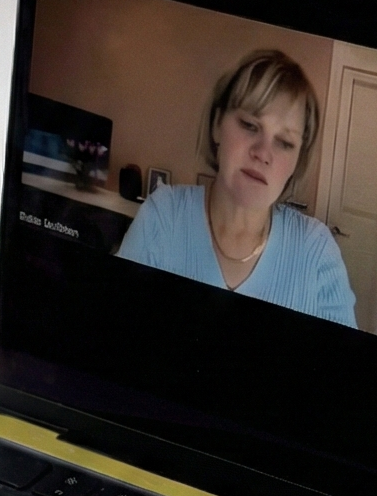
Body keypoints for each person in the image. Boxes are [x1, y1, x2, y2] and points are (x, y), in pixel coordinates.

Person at [116, 50, 357, 328]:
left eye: (285, 142)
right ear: (218, 125)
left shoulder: (317, 253)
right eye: (249, 125)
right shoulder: (163, 216)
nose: (263, 153)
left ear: (297, 162)